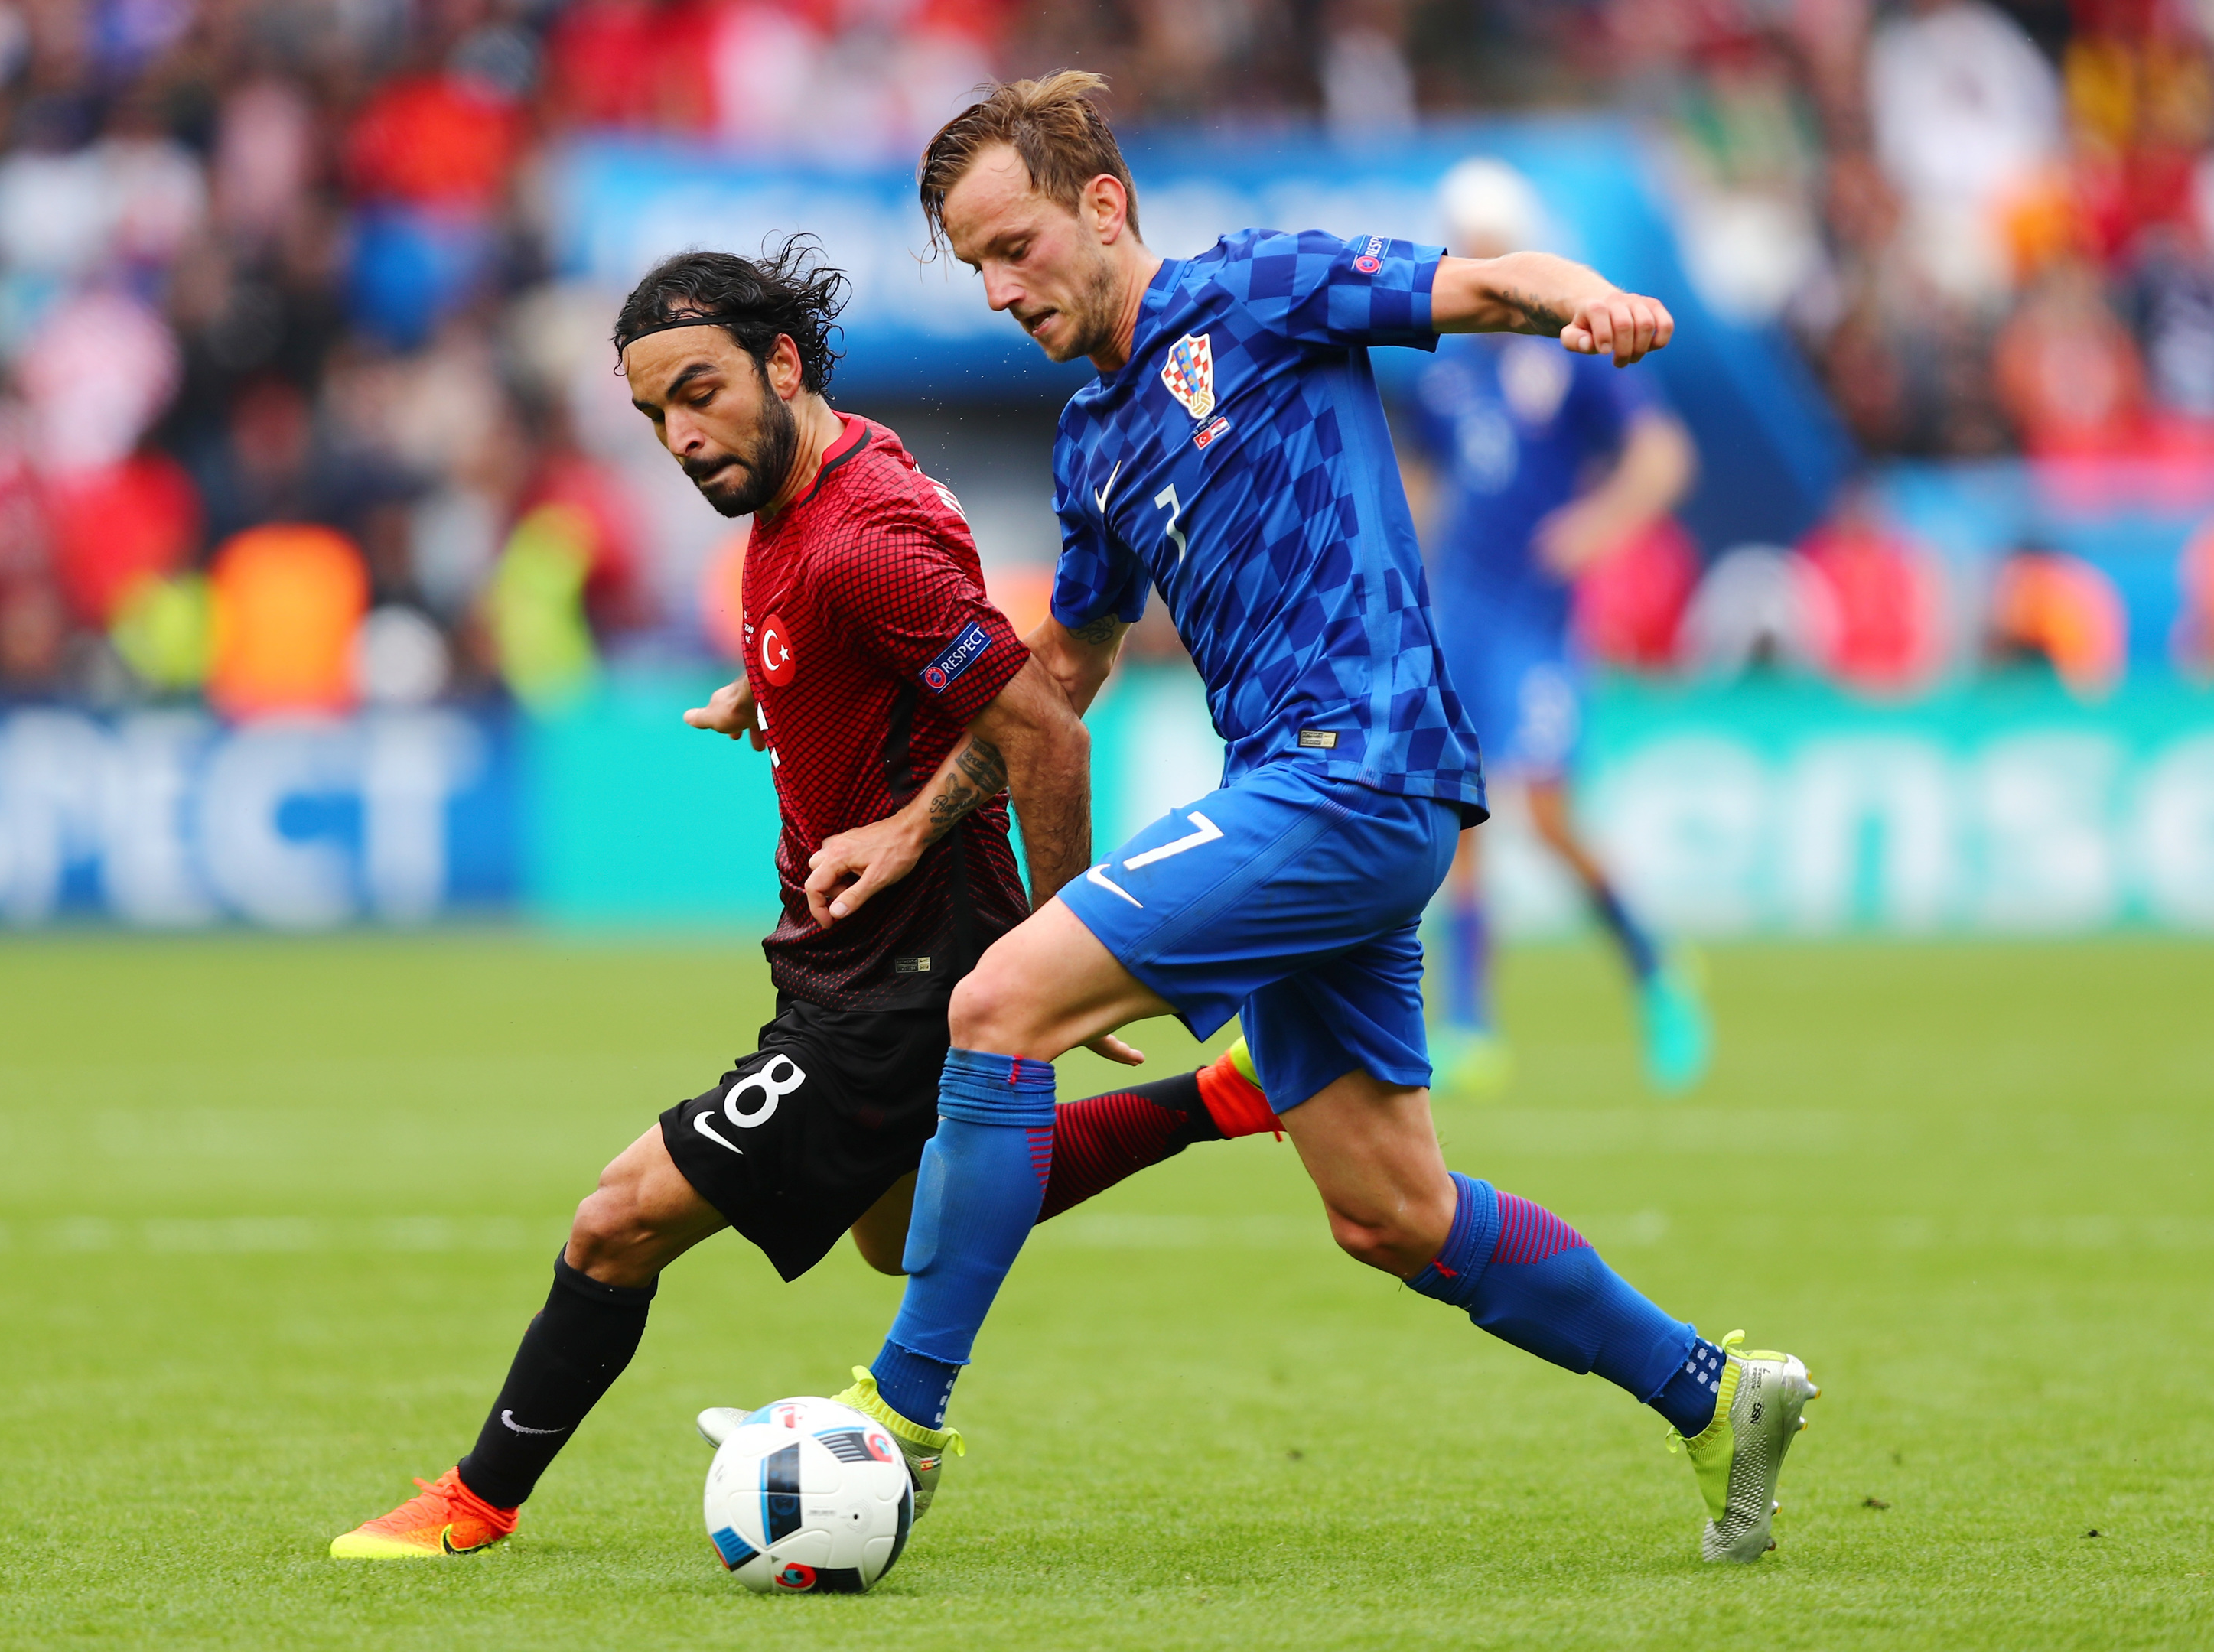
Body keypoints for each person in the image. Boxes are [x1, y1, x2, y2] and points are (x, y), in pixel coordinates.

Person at [775, 73, 1815, 1565]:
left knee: (991, 1012)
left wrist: (1584, 295)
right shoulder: (1092, 445)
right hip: (1293, 799)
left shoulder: (1256, 289)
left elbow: (1480, 285)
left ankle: (899, 1417)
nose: (1000, 288)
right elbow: (1058, 675)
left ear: (1103, 207)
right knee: (1390, 1211)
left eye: (1013, 246)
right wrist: (930, 831)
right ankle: (1713, 1397)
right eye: (974, 267)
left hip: (1358, 774)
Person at [327, 239, 1280, 1559]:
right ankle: (1225, 1096)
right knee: (902, 1236)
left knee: (616, 1223)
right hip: (858, 962)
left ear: (781, 364)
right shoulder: (817, 475)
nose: (680, 434)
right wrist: (774, 694)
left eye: (701, 392)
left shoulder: (863, 539)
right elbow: (888, 666)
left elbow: (1043, 727)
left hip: (885, 983)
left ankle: (474, 1503)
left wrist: (1057, 940)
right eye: (655, 410)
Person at [1409, 157, 1711, 1098]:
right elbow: (1423, 482)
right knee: (1458, 815)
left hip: (1537, 618)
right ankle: (1470, 1020)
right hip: (1464, 611)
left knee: (1543, 812)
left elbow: (1663, 457)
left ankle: (1654, 971)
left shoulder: (1568, 351)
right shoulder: (1447, 371)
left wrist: (1599, 527)